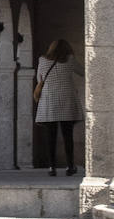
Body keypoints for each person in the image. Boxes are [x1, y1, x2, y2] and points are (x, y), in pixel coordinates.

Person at [35, 38, 84, 176]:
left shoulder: (42, 60)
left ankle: (52, 167)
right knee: (67, 136)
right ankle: (70, 166)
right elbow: (82, 72)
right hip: (66, 100)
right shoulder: (70, 59)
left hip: (49, 100)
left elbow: (40, 79)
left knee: (51, 136)